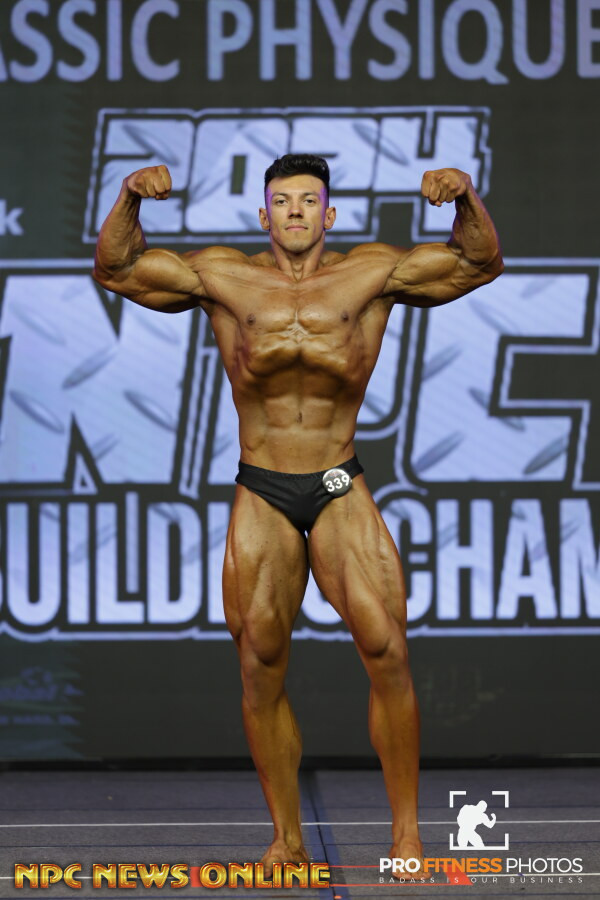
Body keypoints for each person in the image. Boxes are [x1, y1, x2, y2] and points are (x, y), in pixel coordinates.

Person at [93, 154, 503, 873]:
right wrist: (128, 198)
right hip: (263, 486)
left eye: (308, 201)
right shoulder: (224, 277)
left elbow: (479, 263)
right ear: (264, 215)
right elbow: (117, 268)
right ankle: (286, 839)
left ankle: (407, 834)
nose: (294, 212)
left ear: (329, 214)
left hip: (339, 480)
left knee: (388, 651)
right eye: (282, 201)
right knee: (260, 664)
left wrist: (466, 198)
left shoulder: (371, 274)